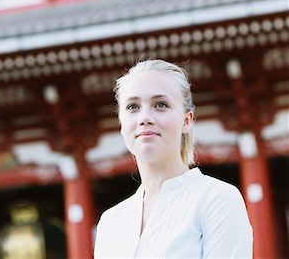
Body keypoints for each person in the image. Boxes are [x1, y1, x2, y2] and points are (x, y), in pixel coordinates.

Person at [94, 59, 253, 259]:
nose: (145, 117)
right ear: (121, 123)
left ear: (187, 121)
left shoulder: (217, 199)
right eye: (133, 106)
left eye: (160, 105)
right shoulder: (110, 222)